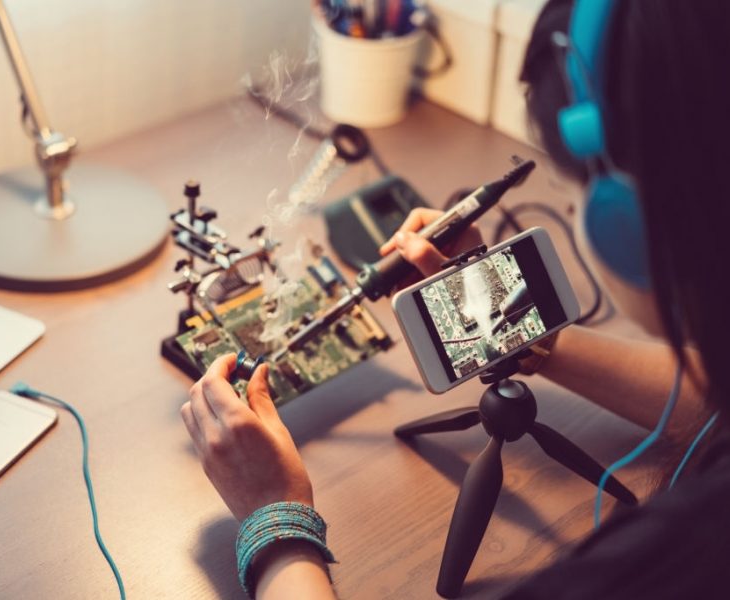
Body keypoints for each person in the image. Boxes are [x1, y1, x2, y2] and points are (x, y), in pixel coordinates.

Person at [180, 0, 730, 597]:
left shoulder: (679, 556)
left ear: (623, 221)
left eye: (572, 191)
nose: (574, 214)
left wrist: (275, 520)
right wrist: (521, 332)